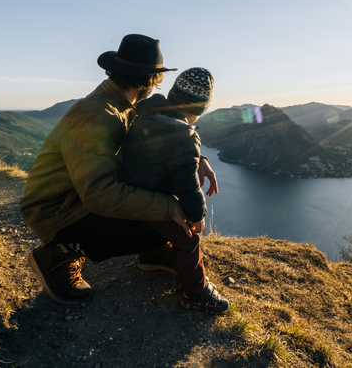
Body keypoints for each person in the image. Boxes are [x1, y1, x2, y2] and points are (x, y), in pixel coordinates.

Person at [19, 34, 222, 309]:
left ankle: (153, 251)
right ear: (150, 78)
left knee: (162, 206)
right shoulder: (98, 115)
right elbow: (99, 193)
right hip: (58, 211)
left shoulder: (123, 105)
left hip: (76, 196)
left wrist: (199, 158)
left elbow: (161, 140)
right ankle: (58, 253)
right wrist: (167, 208)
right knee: (167, 214)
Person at [120, 67, 228, 313]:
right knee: (188, 237)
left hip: (131, 194)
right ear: (198, 108)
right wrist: (197, 215)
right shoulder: (183, 134)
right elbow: (187, 184)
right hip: (153, 200)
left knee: (167, 222)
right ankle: (196, 293)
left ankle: (151, 256)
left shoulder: (144, 115)